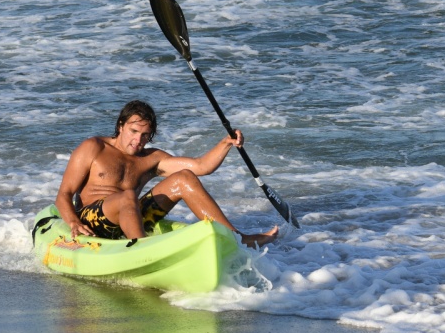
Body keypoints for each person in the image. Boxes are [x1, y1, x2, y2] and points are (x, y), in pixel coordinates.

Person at [55, 100, 279, 249]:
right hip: (93, 222)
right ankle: (142, 251)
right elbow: (64, 194)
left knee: (185, 178)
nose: (138, 140)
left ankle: (236, 238)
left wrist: (226, 143)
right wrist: (73, 222)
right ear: (121, 126)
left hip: (130, 218)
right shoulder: (94, 147)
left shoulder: (151, 158)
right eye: (134, 131)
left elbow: (201, 166)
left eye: (145, 135)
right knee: (127, 196)